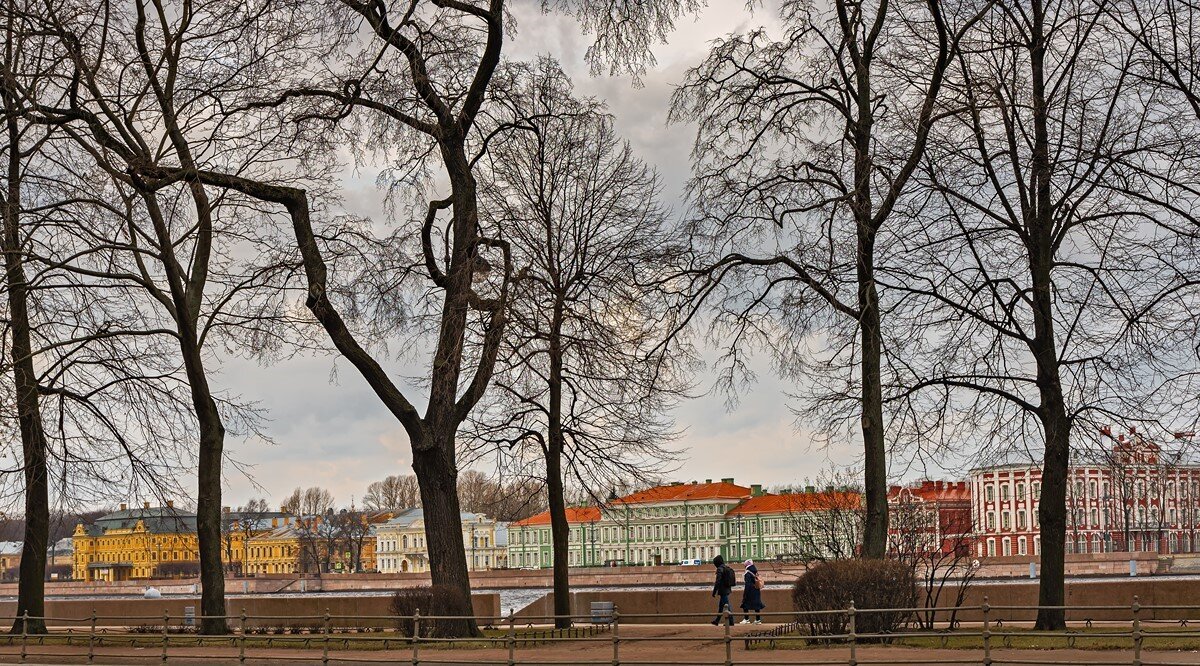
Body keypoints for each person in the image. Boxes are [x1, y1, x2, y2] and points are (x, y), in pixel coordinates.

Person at [710, 554, 735, 625]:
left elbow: (718, 581)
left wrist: (714, 592)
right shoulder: (726, 567)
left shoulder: (720, 569)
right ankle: (717, 621)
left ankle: (731, 621)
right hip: (727, 589)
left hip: (723, 590)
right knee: (721, 607)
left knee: (727, 606)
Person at [739, 559, 765, 624]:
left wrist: (745, 594)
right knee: (757, 605)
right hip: (756, 589)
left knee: (745, 604)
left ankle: (746, 619)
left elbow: (747, 584)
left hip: (750, 591)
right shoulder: (755, 571)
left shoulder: (747, 573)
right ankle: (758, 620)